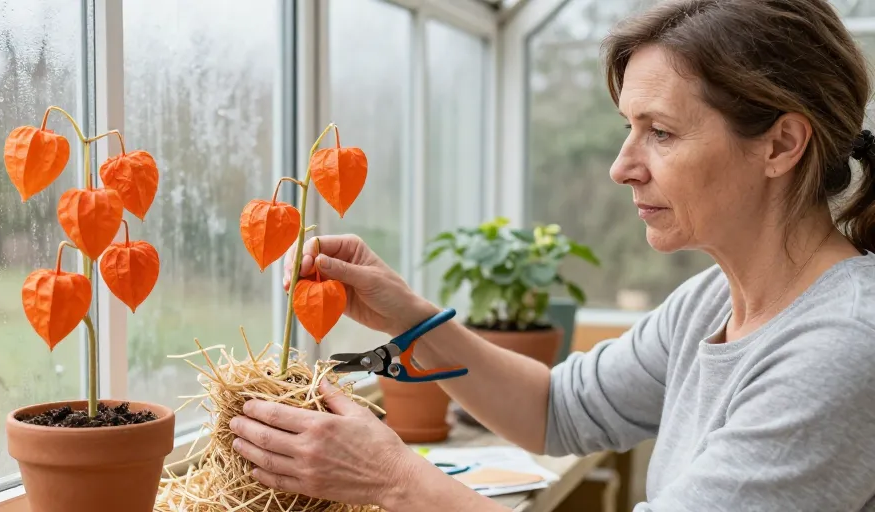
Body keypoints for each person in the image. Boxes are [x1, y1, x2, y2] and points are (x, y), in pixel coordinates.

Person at [227, 0, 875, 510]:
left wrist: (394, 479)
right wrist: (409, 316)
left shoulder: (841, 347)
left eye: (662, 133)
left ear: (781, 144)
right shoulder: (711, 302)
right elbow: (559, 410)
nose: (623, 167)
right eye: (629, 129)